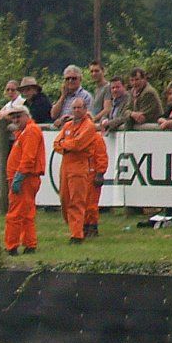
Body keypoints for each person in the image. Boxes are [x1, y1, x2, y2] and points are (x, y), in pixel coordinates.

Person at [0, 92, 44, 256]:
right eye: (13, 117)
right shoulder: (24, 131)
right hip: (24, 178)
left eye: (18, 116)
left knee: (15, 214)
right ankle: (30, 244)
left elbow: (28, 158)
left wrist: (19, 176)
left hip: (25, 179)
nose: (15, 120)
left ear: (26, 116)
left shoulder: (30, 131)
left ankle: (12, 245)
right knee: (27, 213)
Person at [52, 100, 108, 241]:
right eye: (74, 108)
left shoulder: (93, 133)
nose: (76, 111)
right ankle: (77, 226)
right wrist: (67, 146)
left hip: (83, 168)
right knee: (65, 199)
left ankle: (83, 230)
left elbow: (79, 145)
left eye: (79, 108)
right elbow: (56, 144)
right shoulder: (68, 126)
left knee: (84, 202)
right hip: (67, 166)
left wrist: (100, 172)